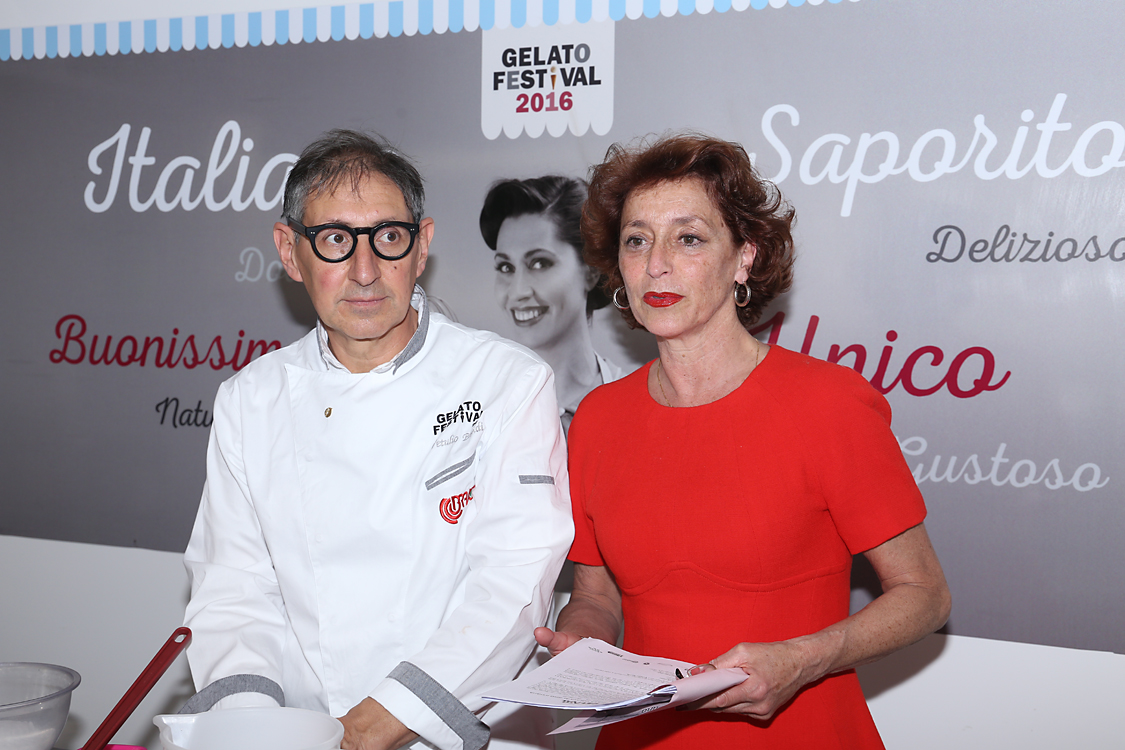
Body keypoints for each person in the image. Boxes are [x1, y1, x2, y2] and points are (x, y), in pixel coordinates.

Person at [534, 134, 952, 749]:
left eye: (689, 238)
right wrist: (581, 640)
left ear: (744, 258)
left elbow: (926, 595)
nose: (657, 265)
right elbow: (598, 594)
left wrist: (804, 659)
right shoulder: (597, 418)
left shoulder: (828, 405)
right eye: (637, 240)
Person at [183, 130, 574, 750]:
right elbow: (235, 593)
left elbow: (512, 585)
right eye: (336, 240)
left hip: (462, 729)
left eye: (388, 238)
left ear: (421, 247)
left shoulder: (507, 382)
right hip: (307, 732)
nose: (365, 272)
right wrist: (253, 728)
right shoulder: (250, 401)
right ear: (290, 252)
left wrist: (377, 723)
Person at [479, 176, 622, 434]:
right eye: (505, 267)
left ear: (590, 271)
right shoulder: (477, 408)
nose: (518, 291)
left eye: (539, 264)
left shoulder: (633, 401)